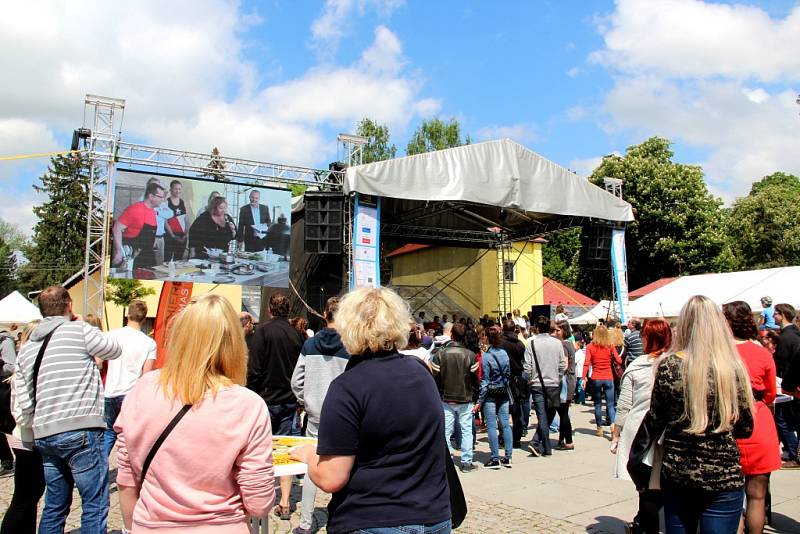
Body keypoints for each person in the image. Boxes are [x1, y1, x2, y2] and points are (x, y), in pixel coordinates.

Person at [289, 287, 451, 534]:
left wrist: (308, 455)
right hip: (433, 515)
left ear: (348, 326)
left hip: (372, 517)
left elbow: (332, 477)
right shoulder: (421, 371)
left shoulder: (348, 386)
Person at [115, 294, 275, 533]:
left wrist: (132, 527)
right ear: (234, 344)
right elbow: (259, 504)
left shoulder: (143, 389)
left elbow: (126, 481)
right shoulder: (248, 405)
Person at [15, 286, 122, 533]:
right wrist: (84, 324)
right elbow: (114, 349)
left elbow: (26, 400)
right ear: (69, 305)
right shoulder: (78, 331)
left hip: (45, 433)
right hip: (81, 429)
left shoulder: (28, 348)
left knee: (54, 504)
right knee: (94, 503)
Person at [647, 295, 754, 533]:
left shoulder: (669, 366)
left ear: (683, 325)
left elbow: (655, 419)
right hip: (723, 474)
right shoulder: (733, 368)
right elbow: (745, 427)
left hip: (678, 472)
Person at [290, 296, 348, 534]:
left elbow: (296, 381)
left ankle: (305, 523)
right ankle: (339, 518)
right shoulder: (350, 346)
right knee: (344, 465)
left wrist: (306, 400)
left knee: (312, 463)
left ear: (324, 315)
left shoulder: (309, 345)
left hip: (314, 414)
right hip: (343, 416)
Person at [722, 301, 781, 533]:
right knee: (757, 496)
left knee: (731, 497)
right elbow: (770, 393)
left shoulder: (720, 353)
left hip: (727, 420)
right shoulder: (762, 353)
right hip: (758, 419)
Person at [246, 293, 304, 520]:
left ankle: (257, 497)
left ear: (269, 309)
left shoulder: (262, 331)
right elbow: (300, 369)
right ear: (288, 310)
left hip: (264, 399)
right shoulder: (296, 334)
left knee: (258, 450)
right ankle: (284, 501)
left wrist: (251, 393)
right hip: (288, 399)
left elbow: (255, 368)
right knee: (286, 451)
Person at [611, 318, 672, 534]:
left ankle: (645, 526)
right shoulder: (676, 363)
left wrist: (616, 434)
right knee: (658, 486)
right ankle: (642, 523)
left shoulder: (638, 366)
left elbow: (625, 405)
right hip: (666, 431)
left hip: (643, 431)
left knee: (647, 489)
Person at [1, 320, 45, 534]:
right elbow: (21, 410)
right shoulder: (27, 364)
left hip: (26, 436)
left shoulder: (27, 361)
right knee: (25, 496)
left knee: (31, 494)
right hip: (27, 437)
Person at [102, 300, 157, 457]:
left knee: (109, 433)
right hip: (131, 394)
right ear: (144, 319)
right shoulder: (149, 343)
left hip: (110, 391)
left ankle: (100, 470)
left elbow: (99, 360)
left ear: (127, 315)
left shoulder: (111, 335)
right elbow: (147, 374)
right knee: (129, 435)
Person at [431, 323, 480, 473]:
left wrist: (438, 394)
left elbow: (435, 378)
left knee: (446, 430)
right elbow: (475, 380)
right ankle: (466, 462)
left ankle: (447, 461)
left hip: (446, 398)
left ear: (451, 334)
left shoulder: (440, 354)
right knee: (466, 431)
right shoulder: (470, 355)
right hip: (465, 398)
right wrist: (476, 398)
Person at [525, 315, 567, 457]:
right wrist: (558, 377)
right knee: (550, 413)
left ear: (536, 328)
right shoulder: (557, 343)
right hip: (553, 383)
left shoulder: (531, 344)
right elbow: (562, 365)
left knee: (543, 415)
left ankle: (537, 442)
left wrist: (530, 378)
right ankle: (544, 446)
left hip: (537, 384)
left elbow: (527, 366)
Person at [477, 325, 514, 469]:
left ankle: (495, 457)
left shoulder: (486, 357)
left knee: (492, 426)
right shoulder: (504, 353)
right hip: (503, 391)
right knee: (505, 425)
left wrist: (480, 400)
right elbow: (508, 374)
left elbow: (484, 380)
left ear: (487, 338)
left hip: (491, 392)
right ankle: (508, 456)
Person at [112, 181, 166, 269]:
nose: (162, 200)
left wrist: (154, 242)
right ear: (151, 196)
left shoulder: (153, 211)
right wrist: (118, 251)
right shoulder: (135, 209)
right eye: (160, 197)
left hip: (147, 256)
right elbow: (116, 228)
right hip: (133, 257)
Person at [582, 325, 622, 437]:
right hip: (609, 377)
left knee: (598, 404)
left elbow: (586, 363)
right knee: (610, 404)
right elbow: (619, 360)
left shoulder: (590, 346)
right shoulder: (610, 346)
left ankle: (599, 428)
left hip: (596, 378)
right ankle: (613, 426)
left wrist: (584, 377)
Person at [500, 319, 528, 448]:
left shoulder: (500, 343)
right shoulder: (520, 344)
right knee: (517, 411)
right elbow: (524, 362)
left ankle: (503, 437)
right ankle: (517, 438)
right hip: (517, 380)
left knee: (502, 410)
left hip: (503, 379)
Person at [554, 320, 576, 451]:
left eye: (558, 330)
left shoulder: (563, 345)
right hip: (570, 379)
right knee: (563, 411)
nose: (556, 333)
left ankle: (568, 440)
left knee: (562, 412)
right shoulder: (570, 344)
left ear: (564, 331)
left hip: (565, 381)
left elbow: (564, 365)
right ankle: (562, 438)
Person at [0, 327, 17, 476]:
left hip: (3, 390)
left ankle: (8, 461)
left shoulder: (4, 341)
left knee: (10, 426)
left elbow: (12, 366)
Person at [163, 179, 191, 262]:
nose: (178, 191)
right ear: (171, 189)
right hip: (170, 236)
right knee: (167, 259)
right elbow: (165, 221)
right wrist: (172, 235)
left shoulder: (184, 203)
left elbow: (186, 219)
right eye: (175, 189)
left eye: (179, 189)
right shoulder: (166, 202)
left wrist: (186, 234)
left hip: (182, 237)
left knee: (179, 260)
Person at [574, 337, 587, 405]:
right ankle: (582, 398)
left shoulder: (578, 353)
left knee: (580, 386)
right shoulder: (581, 353)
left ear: (578, 346)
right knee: (582, 385)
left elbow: (574, 361)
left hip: (579, 372)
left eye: (575, 345)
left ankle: (580, 399)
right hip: (581, 371)